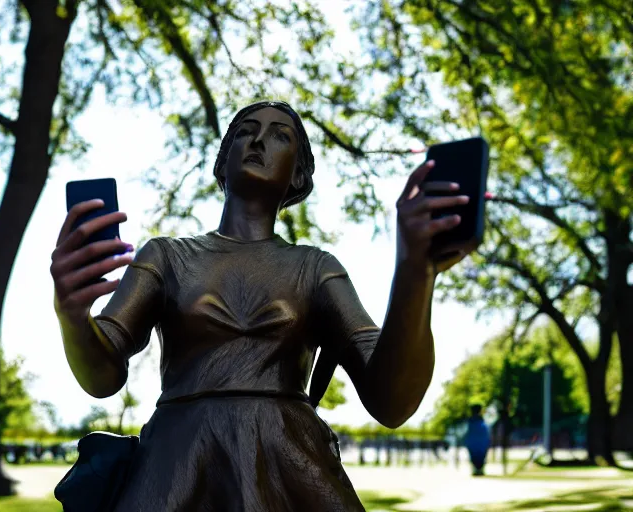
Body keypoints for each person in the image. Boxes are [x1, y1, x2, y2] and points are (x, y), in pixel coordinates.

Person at [50, 101, 474, 510]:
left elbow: (391, 400)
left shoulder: (315, 268)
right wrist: (72, 316)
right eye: (244, 133)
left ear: (299, 174)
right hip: (177, 471)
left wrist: (416, 274)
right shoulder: (166, 257)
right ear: (222, 163)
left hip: (289, 471)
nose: (257, 142)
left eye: (279, 136)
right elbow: (101, 377)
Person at [464, 401, 490, 476]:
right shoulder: (481, 421)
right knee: (480, 456)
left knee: (475, 456)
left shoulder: (470, 421)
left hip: (473, 441)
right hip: (480, 441)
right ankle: (479, 470)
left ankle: (477, 470)